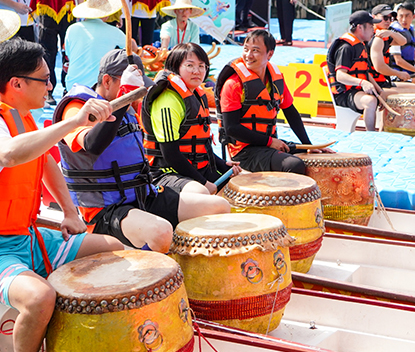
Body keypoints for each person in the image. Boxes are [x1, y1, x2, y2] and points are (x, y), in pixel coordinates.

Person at [0, 39, 123, 352]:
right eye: (45, 79)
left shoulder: (22, 114)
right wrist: (73, 123)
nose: (51, 85)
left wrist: (70, 212)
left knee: (111, 249)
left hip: (25, 238)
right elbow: (9, 154)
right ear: (17, 84)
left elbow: (44, 163)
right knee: (41, 297)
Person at [54, 48, 226, 251]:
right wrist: (124, 98)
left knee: (219, 207)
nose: (135, 97)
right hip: (106, 210)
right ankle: (153, 274)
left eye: (138, 90)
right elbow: (93, 145)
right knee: (160, 231)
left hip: (144, 196)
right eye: (131, 89)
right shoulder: (75, 108)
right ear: (107, 81)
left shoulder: (125, 110)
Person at [143, 43, 240, 196]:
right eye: (190, 65)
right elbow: (171, 154)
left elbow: (201, 145)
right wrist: (203, 182)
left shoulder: (196, 95)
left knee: (240, 184)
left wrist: (224, 166)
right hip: (165, 174)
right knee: (204, 193)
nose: (197, 71)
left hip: (194, 169)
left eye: (202, 66)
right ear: (175, 67)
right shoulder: (167, 101)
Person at [216, 29, 317, 174]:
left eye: (255, 50)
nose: (248, 55)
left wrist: (309, 146)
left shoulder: (276, 80)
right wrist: (269, 142)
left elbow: (291, 112)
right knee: (293, 165)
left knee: (315, 158)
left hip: (267, 145)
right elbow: (231, 128)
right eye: (245, 49)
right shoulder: (233, 85)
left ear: (270, 54)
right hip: (243, 152)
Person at [327, 11, 385, 130]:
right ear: (360, 27)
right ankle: (371, 134)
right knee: (370, 101)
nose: (373, 30)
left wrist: (380, 90)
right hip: (345, 93)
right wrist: (362, 83)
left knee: (385, 96)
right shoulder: (346, 48)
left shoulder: (360, 45)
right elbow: (340, 76)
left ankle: (382, 130)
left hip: (357, 91)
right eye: (370, 26)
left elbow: (365, 73)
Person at [61, 0, 126, 91]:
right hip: (97, 87)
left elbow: (69, 55)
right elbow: (131, 47)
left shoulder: (72, 29)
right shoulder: (114, 32)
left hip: (72, 85)